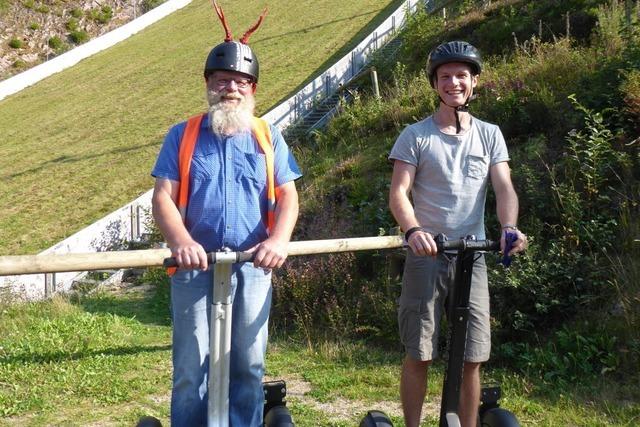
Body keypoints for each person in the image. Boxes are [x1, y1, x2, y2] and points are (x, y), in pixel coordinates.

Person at [150, 2, 301, 425]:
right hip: (194, 269)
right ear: (208, 85)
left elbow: (288, 196)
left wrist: (278, 241)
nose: (230, 89)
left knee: (249, 365)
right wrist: (181, 242)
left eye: (239, 82)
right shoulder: (183, 134)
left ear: (252, 89)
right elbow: (163, 196)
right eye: (221, 81)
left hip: (253, 266)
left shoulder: (269, 136)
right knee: (190, 368)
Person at [388, 41, 527, 427]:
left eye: (461, 76)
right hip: (427, 253)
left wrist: (509, 227)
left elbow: (504, 188)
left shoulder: (490, 134)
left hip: (474, 254)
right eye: (445, 76)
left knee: (472, 356)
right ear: (435, 83)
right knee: (420, 352)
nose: (454, 83)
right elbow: (399, 193)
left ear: (474, 81)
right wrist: (413, 229)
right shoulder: (415, 136)